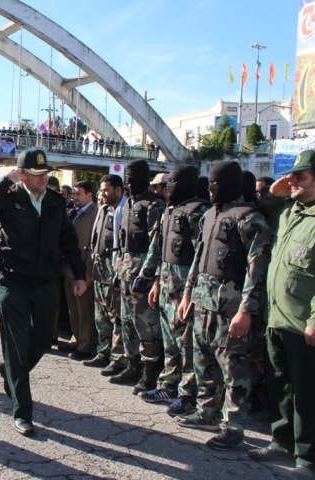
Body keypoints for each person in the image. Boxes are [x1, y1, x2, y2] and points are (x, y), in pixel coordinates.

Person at [0, 148, 87, 436]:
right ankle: (22, 411)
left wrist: (80, 275)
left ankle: (10, 371)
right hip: (11, 279)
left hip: (45, 279)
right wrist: (2, 182)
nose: (43, 177)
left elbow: (68, 240)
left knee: (40, 340)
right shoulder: (9, 196)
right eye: (36, 173)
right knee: (16, 342)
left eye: (45, 172)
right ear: (22, 174)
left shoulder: (54, 201)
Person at [177, 161, 271, 450]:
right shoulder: (210, 216)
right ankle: (207, 412)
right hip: (203, 303)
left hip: (230, 310)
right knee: (203, 362)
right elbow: (198, 259)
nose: (209, 189)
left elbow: (258, 271)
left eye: (215, 184)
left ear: (228, 184)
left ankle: (234, 426)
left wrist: (246, 311)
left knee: (234, 370)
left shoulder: (251, 219)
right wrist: (187, 295)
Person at [247, 150, 315, 476]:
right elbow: (264, 205)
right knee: (281, 385)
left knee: (308, 394)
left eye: (300, 177)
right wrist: (276, 190)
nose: (291, 182)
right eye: (291, 176)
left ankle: (308, 459)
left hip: (304, 322)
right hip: (277, 317)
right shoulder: (293, 210)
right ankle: (282, 442)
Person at [135, 165, 210, 418]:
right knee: (170, 343)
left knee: (187, 344)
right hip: (166, 287)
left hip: (186, 292)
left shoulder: (200, 213)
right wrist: (151, 280)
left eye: (173, 182)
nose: (167, 188)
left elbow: (202, 258)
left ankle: (188, 395)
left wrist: (191, 293)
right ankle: (168, 385)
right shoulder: (169, 211)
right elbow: (157, 249)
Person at [109, 160, 166, 394]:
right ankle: (132, 366)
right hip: (125, 273)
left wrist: (149, 278)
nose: (129, 183)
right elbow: (122, 243)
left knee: (147, 328)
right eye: (127, 178)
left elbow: (157, 246)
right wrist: (117, 271)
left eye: (133, 178)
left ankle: (149, 374)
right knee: (127, 323)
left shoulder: (154, 205)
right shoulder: (129, 204)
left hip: (143, 275)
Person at [85, 175, 127, 374]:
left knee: (116, 316)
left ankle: (118, 359)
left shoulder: (125, 210)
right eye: (101, 190)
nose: (102, 194)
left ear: (118, 190)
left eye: (106, 190)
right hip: (100, 268)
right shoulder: (103, 210)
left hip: (115, 269)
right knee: (100, 315)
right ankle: (103, 352)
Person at [61, 181, 98, 360]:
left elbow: (92, 246)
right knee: (73, 309)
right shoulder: (75, 213)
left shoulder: (94, 214)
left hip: (82, 270)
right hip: (70, 268)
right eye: (73, 194)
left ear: (89, 196)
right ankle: (77, 339)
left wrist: (88, 271)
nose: (74, 197)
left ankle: (85, 346)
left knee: (84, 311)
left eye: (78, 194)